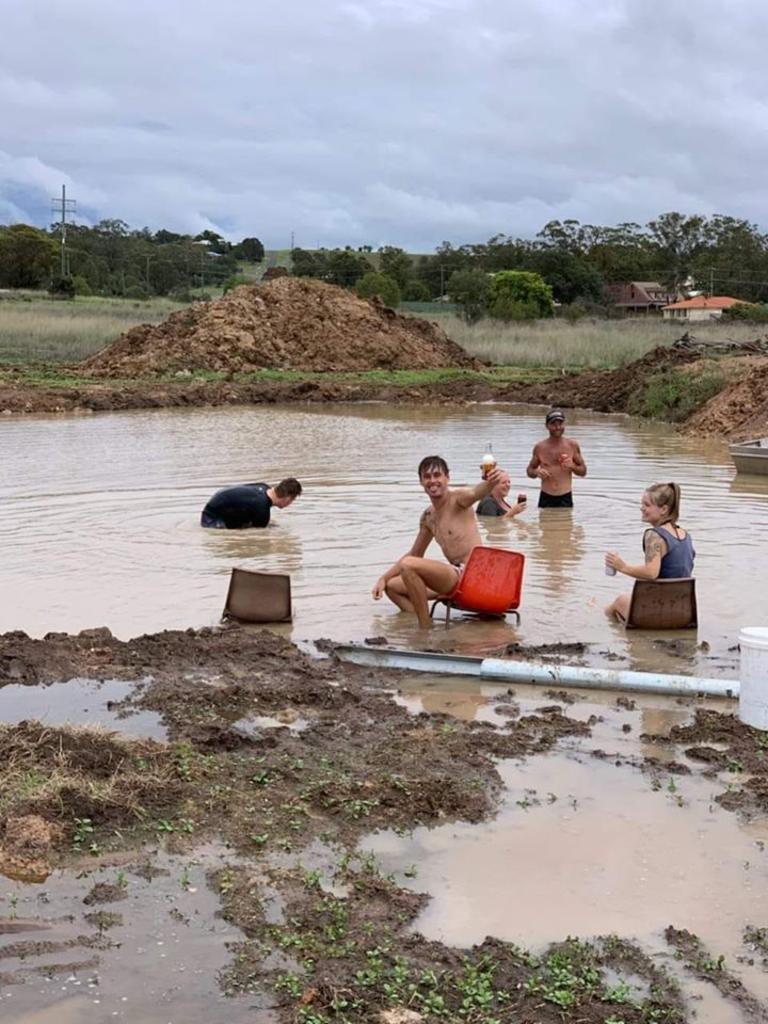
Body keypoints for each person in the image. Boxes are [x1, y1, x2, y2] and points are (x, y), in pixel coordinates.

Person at [372, 455, 502, 628]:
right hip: (454, 575)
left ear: (447, 478)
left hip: (472, 575)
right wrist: (383, 578)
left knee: (408, 565)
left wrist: (491, 482)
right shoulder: (428, 517)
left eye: (437, 475)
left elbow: (476, 492)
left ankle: (424, 629)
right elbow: (415, 554)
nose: (432, 481)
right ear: (421, 482)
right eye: (427, 477)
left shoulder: (458, 499)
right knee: (392, 586)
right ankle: (420, 622)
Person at [604, 482, 695, 622]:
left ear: (664, 509)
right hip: (682, 613)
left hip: (656, 612)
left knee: (617, 603)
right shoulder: (685, 535)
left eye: (646, 505)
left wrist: (621, 566)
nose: (641, 508)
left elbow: (651, 572)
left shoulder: (654, 536)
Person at [526, 409, 587, 508]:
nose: (557, 427)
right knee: (545, 523)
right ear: (547, 426)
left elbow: (583, 472)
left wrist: (572, 466)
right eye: (553, 424)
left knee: (566, 523)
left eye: (560, 424)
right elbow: (529, 471)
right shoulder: (540, 447)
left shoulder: (572, 445)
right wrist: (537, 472)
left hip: (565, 497)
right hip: (546, 497)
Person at [200, 478, 302, 529]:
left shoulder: (264, 487)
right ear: (287, 497)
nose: (291, 503)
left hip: (217, 503)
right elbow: (258, 535)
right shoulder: (262, 508)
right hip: (212, 518)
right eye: (292, 500)